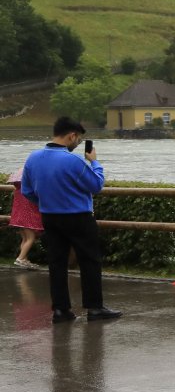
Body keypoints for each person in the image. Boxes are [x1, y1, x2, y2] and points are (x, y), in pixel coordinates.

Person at [20, 117, 120, 322]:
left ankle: (61, 310)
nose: (78, 143)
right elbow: (96, 185)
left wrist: (45, 202)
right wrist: (94, 162)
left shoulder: (33, 158)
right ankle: (94, 308)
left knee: (56, 262)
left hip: (49, 216)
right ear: (72, 136)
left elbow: (27, 191)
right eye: (79, 139)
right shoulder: (73, 160)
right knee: (89, 260)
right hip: (78, 217)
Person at [8, 162, 43, 268]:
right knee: (31, 238)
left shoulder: (18, 190)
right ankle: (20, 258)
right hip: (27, 219)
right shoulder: (28, 191)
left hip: (18, 219)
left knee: (25, 239)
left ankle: (24, 259)